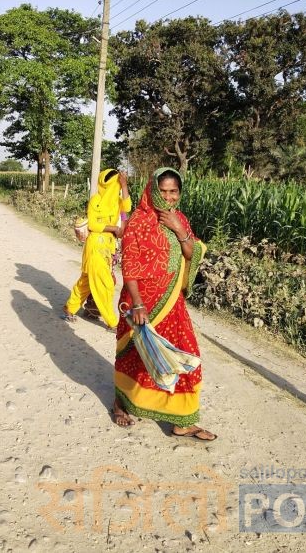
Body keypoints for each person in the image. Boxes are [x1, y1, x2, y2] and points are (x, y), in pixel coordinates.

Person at [113, 167, 216, 440]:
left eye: (174, 191)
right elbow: (130, 266)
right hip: (141, 302)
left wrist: (179, 229)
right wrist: (137, 304)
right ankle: (121, 401)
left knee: (184, 355)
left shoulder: (179, 218)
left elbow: (191, 253)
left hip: (172, 301)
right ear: (152, 190)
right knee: (135, 355)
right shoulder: (138, 221)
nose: (169, 197)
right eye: (163, 191)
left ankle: (184, 420)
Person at [63, 169, 131, 330]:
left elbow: (127, 207)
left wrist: (124, 185)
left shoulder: (118, 201)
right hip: (95, 246)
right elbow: (93, 224)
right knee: (105, 285)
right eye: (115, 184)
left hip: (107, 247)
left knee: (86, 282)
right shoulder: (96, 200)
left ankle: (70, 308)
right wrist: (113, 228)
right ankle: (112, 322)